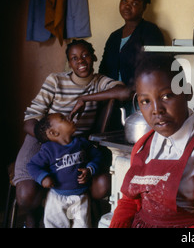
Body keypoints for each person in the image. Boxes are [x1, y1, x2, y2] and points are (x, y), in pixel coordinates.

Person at [109, 53, 194, 228]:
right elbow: (130, 200)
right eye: (146, 101)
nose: (157, 110)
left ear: (187, 92)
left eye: (166, 96)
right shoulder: (143, 146)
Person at [14, 39, 132, 227]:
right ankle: (31, 218)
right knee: (26, 194)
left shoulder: (99, 82)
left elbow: (124, 92)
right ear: (69, 63)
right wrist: (51, 140)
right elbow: (30, 119)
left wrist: (85, 98)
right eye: (74, 58)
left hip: (74, 143)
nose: (81, 61)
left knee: (91, 181)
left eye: (85, 55)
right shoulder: (56, 80)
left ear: (93, 56)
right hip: (41, 138)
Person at [27, 113, 105, 228]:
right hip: (57, 197)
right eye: (63, 118)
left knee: (82, 225)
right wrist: (43, 177)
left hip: (81, 196)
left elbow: (98, 156)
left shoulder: (81, 143)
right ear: (53, 133)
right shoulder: (49, 149)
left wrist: (90, 169)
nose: (69, 118)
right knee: (55, 225)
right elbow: (32, 165)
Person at [99, 0, 165, 87]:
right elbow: (103, 70)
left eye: (134, 3)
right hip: (111, 95)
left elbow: (155, 69)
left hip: (139, 95)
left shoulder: (150, 31)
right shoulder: (114, 37)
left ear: (144, 7)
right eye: (124, 1)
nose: (127, 7)